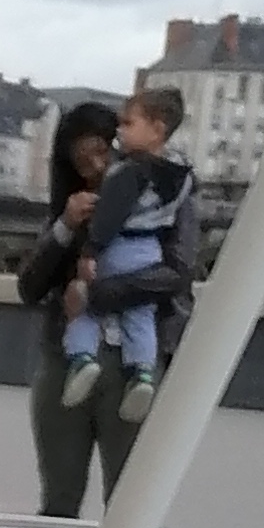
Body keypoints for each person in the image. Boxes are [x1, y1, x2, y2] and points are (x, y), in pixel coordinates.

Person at [18, 99, 185, 515]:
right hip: (66, 359)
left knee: (128, 503)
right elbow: (30, 287)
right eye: (81, 161)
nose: (94, 166)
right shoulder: (73, 206)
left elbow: (176, 275)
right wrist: (65, 227)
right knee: (58, 497)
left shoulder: (162, 195)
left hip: (133, 363)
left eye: (101, 151)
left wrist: (95, 295)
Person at [65, 86, 198, 420]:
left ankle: (82, 359)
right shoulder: (182, 175)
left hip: (120, 246)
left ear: (157, 129)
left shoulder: (130, 171)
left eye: (128, 123)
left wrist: (90, 251)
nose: (119, 131)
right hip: (149, 250)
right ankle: (141, 374)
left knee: (88, 307)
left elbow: (109, 218)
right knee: (140, 316)